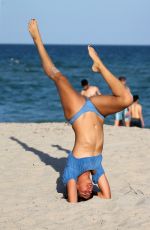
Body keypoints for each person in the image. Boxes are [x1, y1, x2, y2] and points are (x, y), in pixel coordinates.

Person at [28, 19, 133, 203]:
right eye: (89, 193)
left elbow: (73, 202)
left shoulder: (71, 172)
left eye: (83, 192)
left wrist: (74, 195)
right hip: (98, 112)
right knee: (127, 99)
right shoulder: (95, 170)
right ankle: (99, 67)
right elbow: (107, 196)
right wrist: (96, 192)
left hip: (77, 112)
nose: (88, 192)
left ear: (75, 185)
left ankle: (37, 40)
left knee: (58, 77)